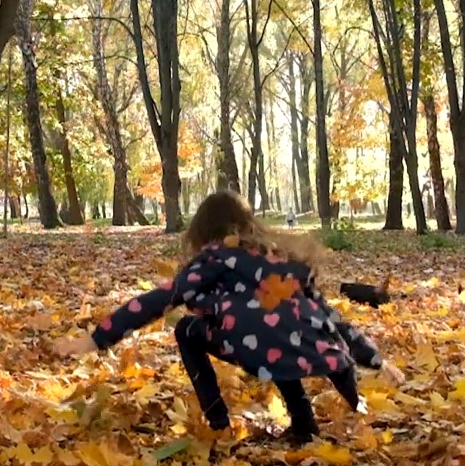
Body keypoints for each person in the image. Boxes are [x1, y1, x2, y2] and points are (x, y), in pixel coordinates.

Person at [53, 190, 404, 444]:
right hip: (306, 348)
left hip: (254, 347)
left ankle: (218, 422)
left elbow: (161, 298)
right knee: (280, 334)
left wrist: (98, 338)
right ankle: (304, 424)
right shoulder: (281, 260)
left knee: (189, 331)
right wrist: (375, 358)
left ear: (205, 231)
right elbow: (331, 318)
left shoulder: (216, 257)